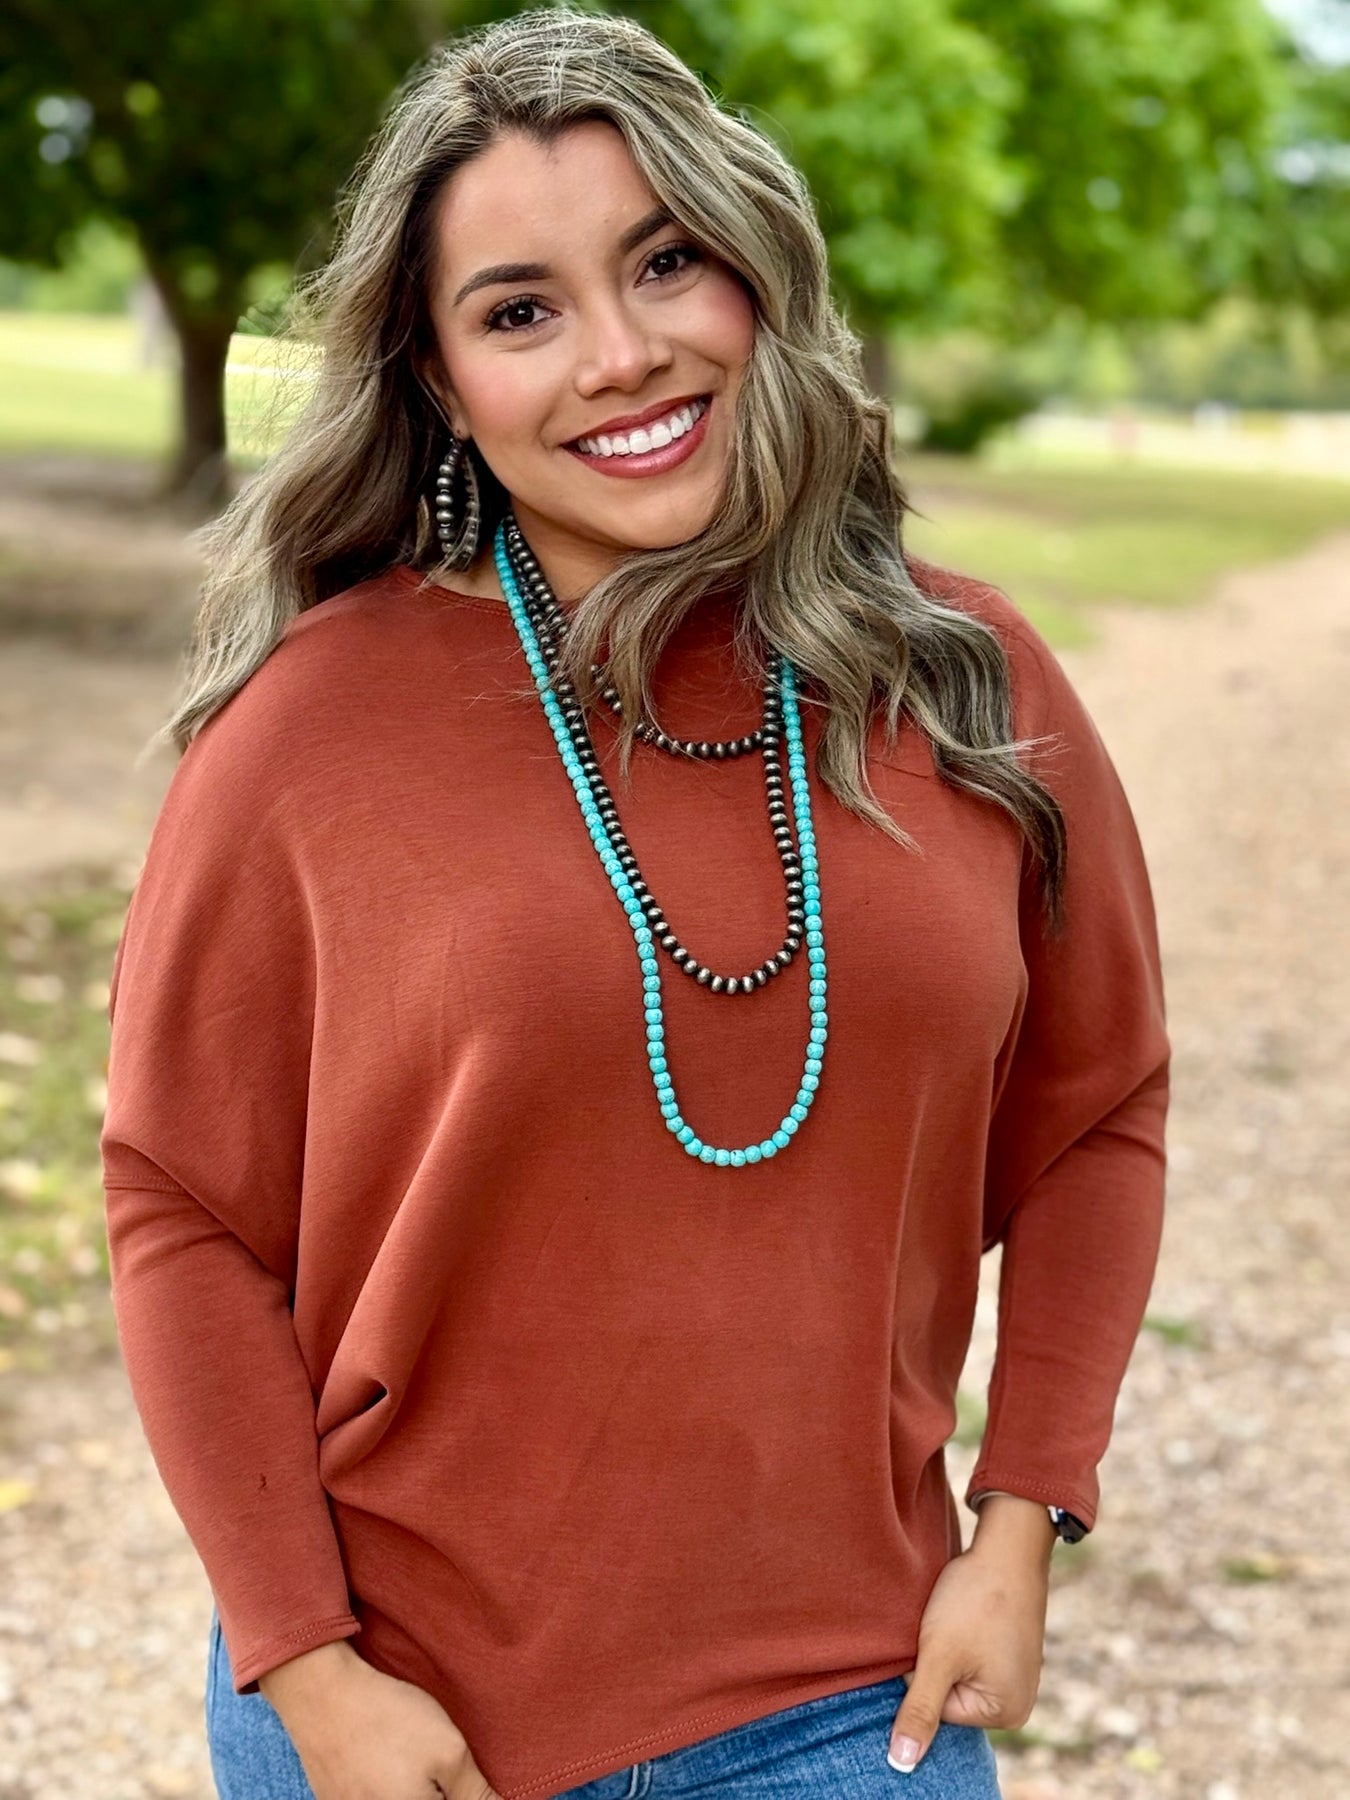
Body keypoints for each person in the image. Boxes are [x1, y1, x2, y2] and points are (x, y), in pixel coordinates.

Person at [99, 10, 1170, 1800]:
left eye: (664, 262)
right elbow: (178, 1201)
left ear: (754, 272)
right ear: (441, 381)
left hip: (845, 1706)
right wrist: (306, 1666)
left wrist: (1021, 1515)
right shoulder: (307, 731)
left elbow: (1097, 1110)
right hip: (401, 1710)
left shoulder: (966, 682)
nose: (618, 354)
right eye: (519, 311)